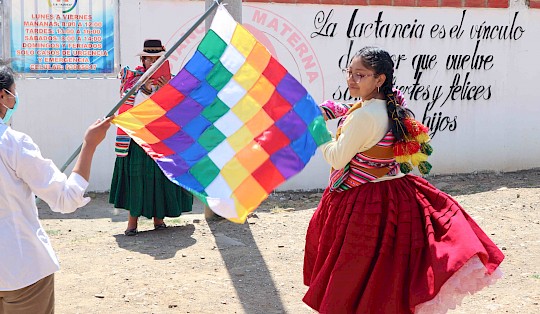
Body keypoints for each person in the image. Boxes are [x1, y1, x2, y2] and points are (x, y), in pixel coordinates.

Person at [302, 46, 504, 314]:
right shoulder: (392, 107)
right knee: (386, 270)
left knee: (352, 269)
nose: (351, 79)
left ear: (380, 79)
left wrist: (318, 129)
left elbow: (338, 158)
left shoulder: (364, 115)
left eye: (360, 75)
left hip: (361, 202)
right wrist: (334, 110)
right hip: (395, 194)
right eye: (349, 72)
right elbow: (360, 114)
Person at [0, 62, 112, 313]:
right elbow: (67, 198)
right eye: (14, 92)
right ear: (3, 96)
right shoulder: (14, 144)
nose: (15, 98)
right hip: (23, 272)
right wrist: (89, 145)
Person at [109, 39, 193, 236]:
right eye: (150, 59)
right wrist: (145, 90)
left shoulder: (172, 82)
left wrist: (167, 92)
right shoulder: (132, 80)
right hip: (137, 140)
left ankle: (159, 220)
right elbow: (128, 107)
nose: (153, 63)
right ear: (144, 60)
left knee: (159, 178)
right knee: (136, 179)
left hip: (161, 139)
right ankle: (132, 224)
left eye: (158, 60)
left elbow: (178, 112)